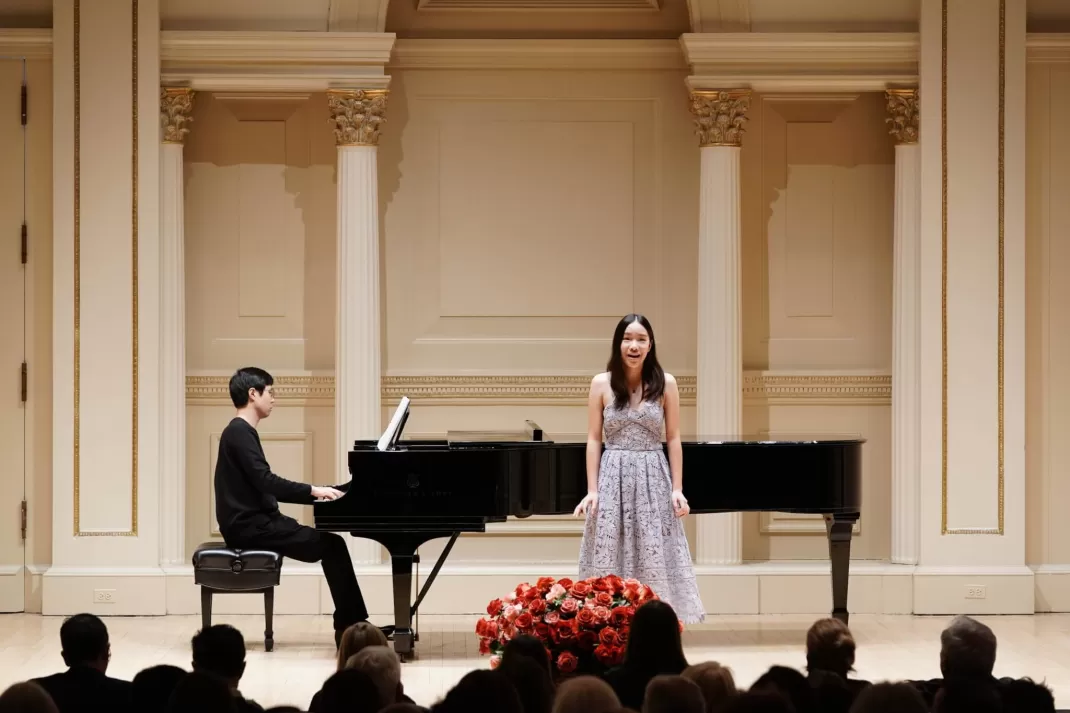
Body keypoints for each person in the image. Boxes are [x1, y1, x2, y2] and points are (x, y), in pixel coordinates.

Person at [214, 366, 372, 648]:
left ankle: (352, 625)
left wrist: (319, 492)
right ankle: (352, 629)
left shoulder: (239, 432)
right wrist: (314, 491)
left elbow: (261, 483)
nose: (273, 399)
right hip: (251, 528)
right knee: (333, 546)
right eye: (270, 392)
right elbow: (266, 481)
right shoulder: (239, 432)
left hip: (255, 523)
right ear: (253, 394)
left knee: (332, 545)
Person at [573, 314, 705, 624]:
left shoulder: (666, 383)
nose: (634, 345)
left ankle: (655, 626)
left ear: (650, 344)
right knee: (611, 546)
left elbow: (673, 438)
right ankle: (609, 621)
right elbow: (593, 439)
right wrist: (592, 490)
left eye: (641, 339)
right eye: (628, 339)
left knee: (653, 548)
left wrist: (677, 488)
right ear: (618, 344)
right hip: (613, 472)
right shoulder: (601, 383)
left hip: (652, 474)